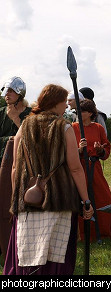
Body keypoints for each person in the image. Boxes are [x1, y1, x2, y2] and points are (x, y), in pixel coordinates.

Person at [3, 84, 93, 275]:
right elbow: (75, 168)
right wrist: (86, 201)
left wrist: (17, 201)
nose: (66, 107)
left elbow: (15, 169)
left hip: (28, 200)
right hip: (58, 200)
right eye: (63, 102)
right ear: (55, 103)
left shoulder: (24, 126)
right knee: (56, 258)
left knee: (26, 250)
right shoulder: (64, 127)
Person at [72, 99, 111, 241]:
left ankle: (104, 231)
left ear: (90, 113)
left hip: (94, 168)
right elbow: (67, 151)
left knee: (103, 198)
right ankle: (82, 234)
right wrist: (79, 150)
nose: (78, 113)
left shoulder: (98, 127)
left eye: (82, 111)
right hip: (78, 167)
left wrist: (100, 149)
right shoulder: (73, 128)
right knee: (80, 198)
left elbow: (107, 149)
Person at [0, 76, 31, 263]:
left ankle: (17, 246)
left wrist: (16, 120)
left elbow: (31, 137)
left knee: (16, 204)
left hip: (22, 164)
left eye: (11, 91)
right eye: (6, 91)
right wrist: (10, 139)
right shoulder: (1, 112)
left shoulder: (30, 113)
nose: (7, 95)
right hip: (1, 163)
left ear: (20, 94)